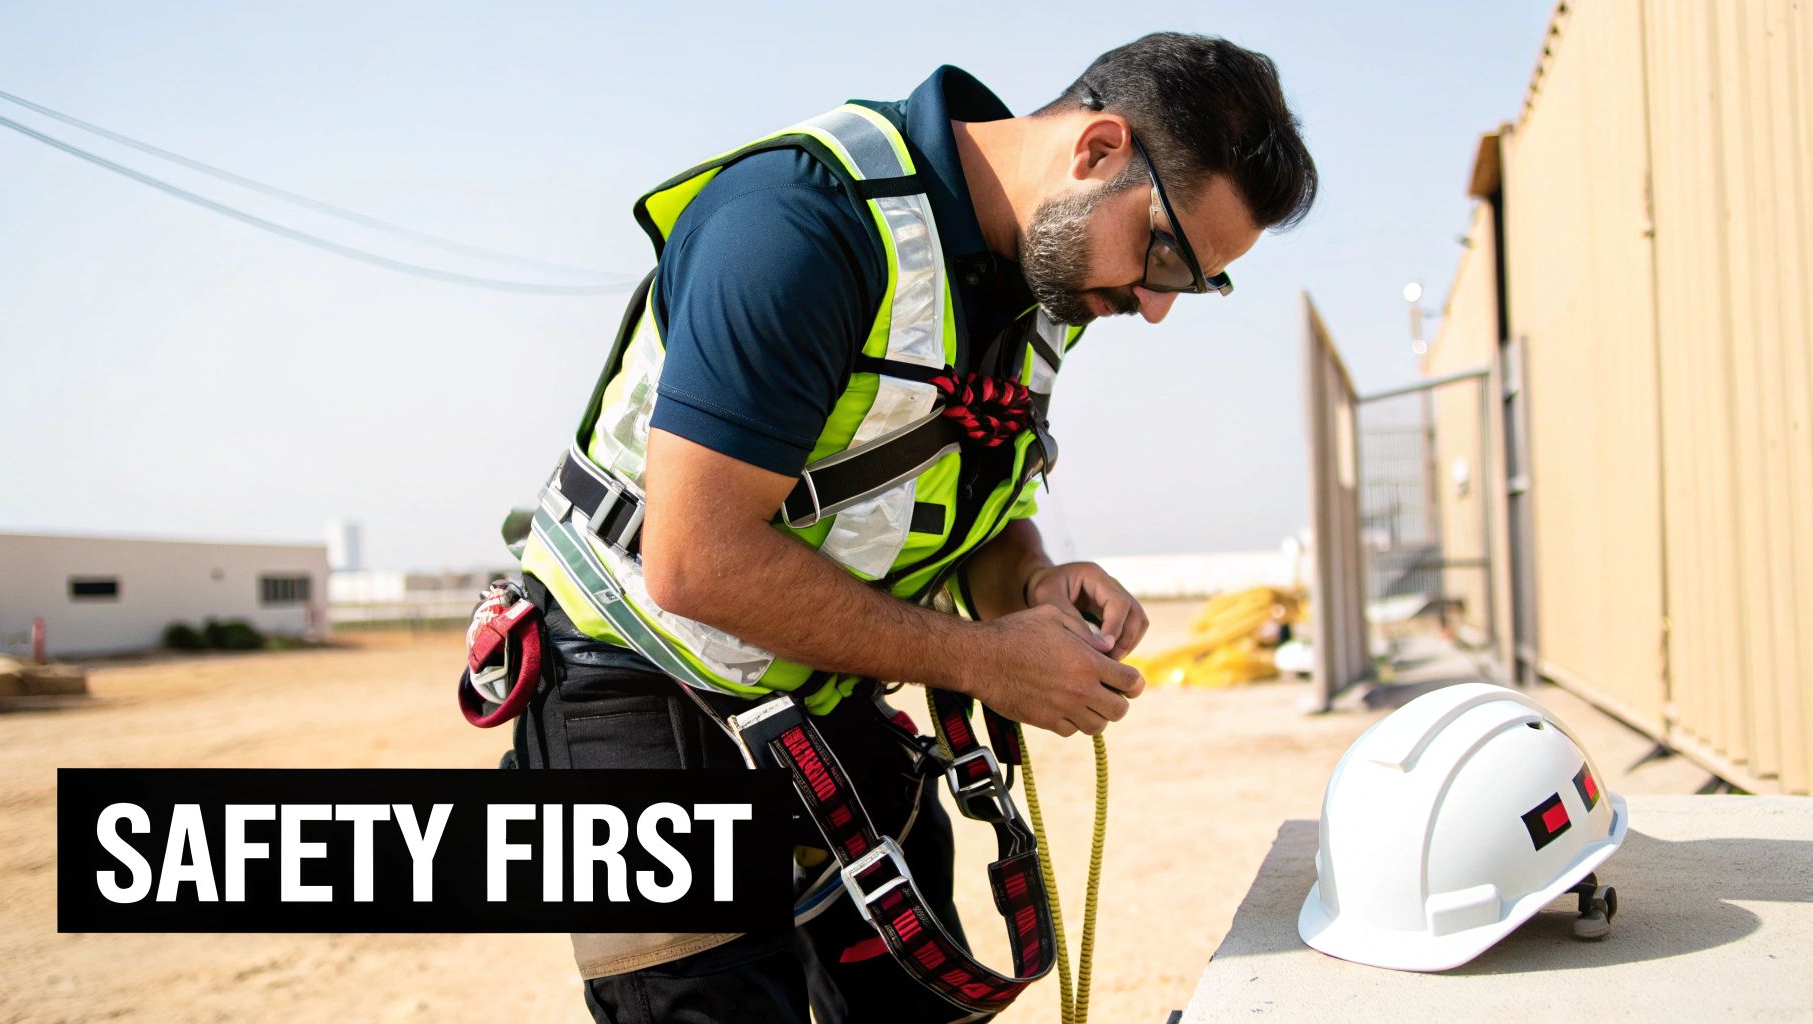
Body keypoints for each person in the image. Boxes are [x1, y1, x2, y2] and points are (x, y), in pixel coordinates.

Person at [506, 31, 1317, 1024]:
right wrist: (986, 662)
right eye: (1163, 256)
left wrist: (1028, 583)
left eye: (1194, 284)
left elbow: (972, 504)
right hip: (626, 678)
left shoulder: (1048, 284)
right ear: (1097, 149)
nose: (1153, 308)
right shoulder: (800, 227)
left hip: (811, 681)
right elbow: (692, 559)